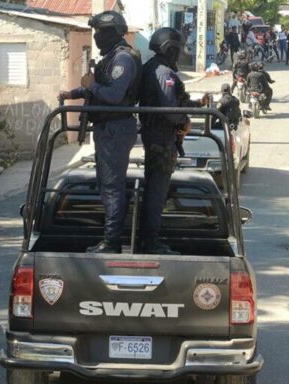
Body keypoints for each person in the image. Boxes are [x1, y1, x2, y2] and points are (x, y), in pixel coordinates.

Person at [58, 10, 142, 254]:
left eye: (99, 33)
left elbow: (114, 96)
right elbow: (98, 89)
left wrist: (91, 85)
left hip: (116, 128)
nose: (96, 38)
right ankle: (110, 239)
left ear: (112, 33)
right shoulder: (112, 57)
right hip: (109, 128)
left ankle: (111, 242)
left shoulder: (123, 59)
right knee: (106, 185)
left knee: (112, 187)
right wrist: (73, 94)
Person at [139, 27, 208, 255]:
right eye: (177, 50)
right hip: (161, 137)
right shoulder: (163, 73)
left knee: (156, 190)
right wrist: (184, 121)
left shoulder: (156, 68)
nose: (179, 55)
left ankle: (149, 240)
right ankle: (150, 243)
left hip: (158, 135)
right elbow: (170, 111)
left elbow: (173, 104)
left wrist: (196, 105)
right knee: (157, 192)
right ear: (170, 48)